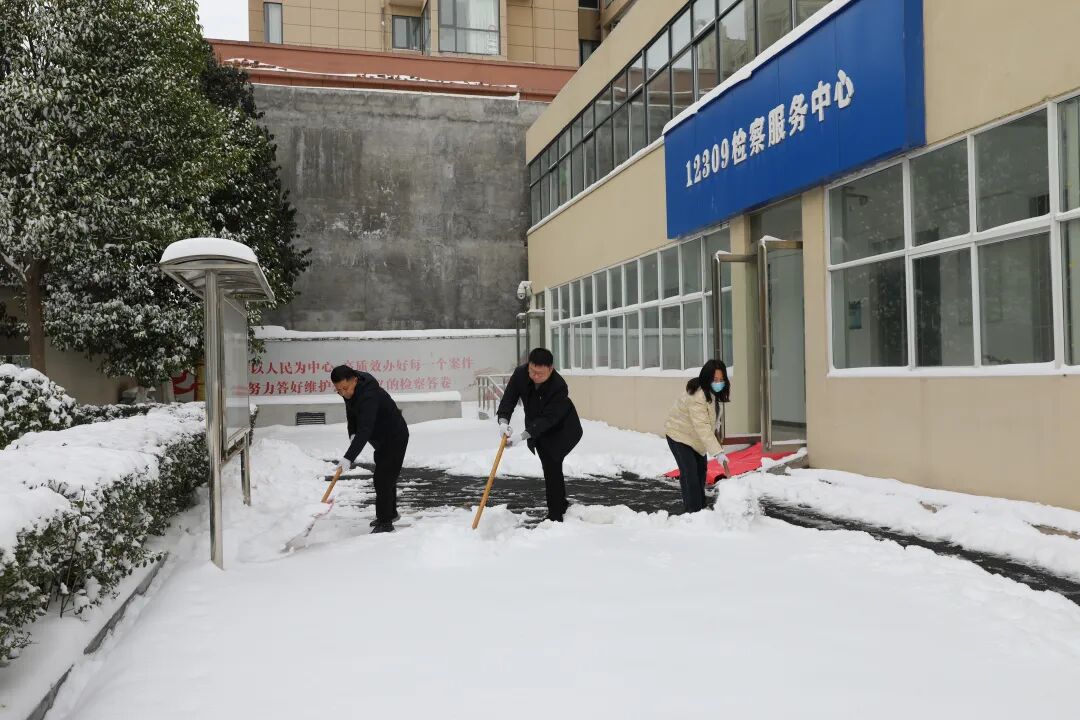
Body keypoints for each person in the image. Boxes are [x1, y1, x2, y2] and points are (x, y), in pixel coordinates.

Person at [497, 348, 583, 522]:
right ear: (528, 365)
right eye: (532, 371)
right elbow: (509, 398)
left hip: (562, 428)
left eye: (540, 374)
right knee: (551, 466)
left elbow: (549, 419)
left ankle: (555, 516)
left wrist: (522, 436)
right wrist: (503, 421)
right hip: (538, 426)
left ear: (551, 369)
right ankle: (560, 504)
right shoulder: (521, 374)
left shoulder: (559, 386)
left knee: (552, 463)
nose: (535, 376)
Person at [331, 365, 410, 533]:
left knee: (383, 478)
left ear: (354, 380)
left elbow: (365, 430)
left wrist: (349, 457)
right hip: (380, 438)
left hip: (394, 436)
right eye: (339, 391)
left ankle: (385, 522)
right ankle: (390, 513)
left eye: (345, 388)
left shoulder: (369, 395)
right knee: (385, 476)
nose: (344, 393)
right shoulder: (350, 391)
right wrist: (352, 433)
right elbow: (351, 415)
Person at [664, 359, 731, 513]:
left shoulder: (713, 394)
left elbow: (709, 421)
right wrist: (718, 453)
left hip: (695, 438)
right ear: (707, 378)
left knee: (701, 472)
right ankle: (693, 512)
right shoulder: (698, 397)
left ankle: (701, 508)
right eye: (715, 380)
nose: (719, 383)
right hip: (679, 435)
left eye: (721, 380)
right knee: (690, 474)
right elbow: (703, 428)